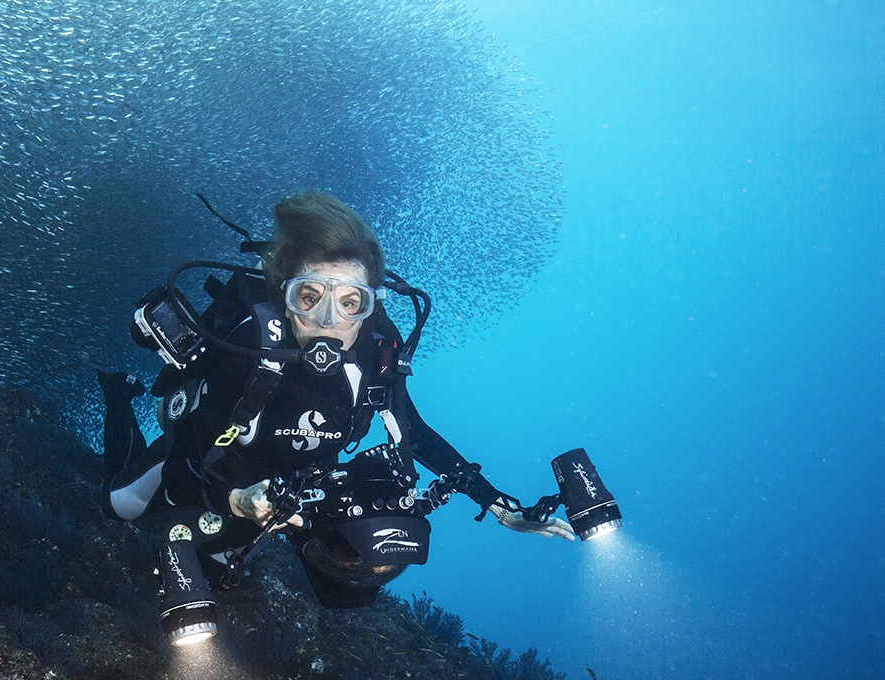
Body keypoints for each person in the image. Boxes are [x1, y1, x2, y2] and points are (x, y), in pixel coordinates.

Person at [98, 191, 573, 616]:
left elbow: (415, 434)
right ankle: (118, 398)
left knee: (238, 576)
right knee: (119, 507)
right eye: (309, 297)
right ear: (286, 296)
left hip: (285, 489)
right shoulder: (254, 343)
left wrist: (498, 505)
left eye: (350, 302)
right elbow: (200, 443)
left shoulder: (376, 354)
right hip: (208, 464)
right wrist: (236, 498)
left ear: (370, 305)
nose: (328, 320)